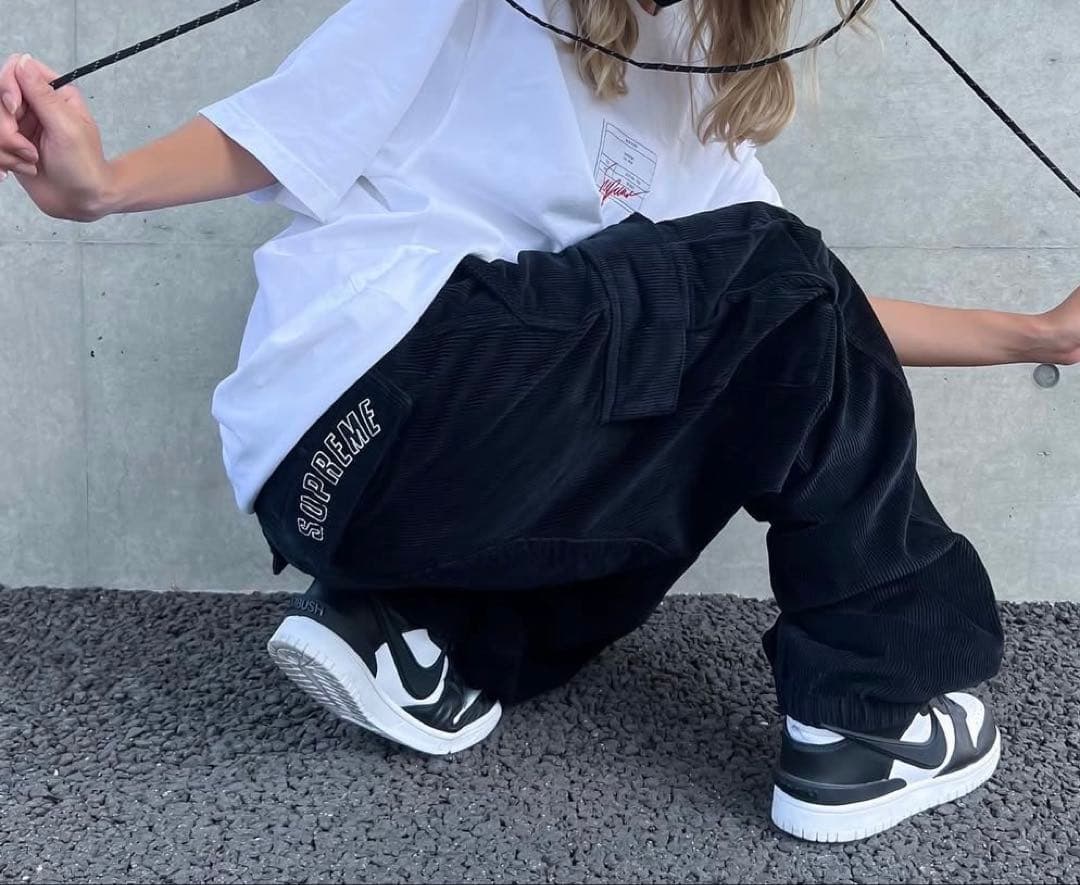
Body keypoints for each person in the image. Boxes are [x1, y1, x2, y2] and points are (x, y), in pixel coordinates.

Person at [3, 0, 1077, 843]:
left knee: (762, 350)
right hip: (386, 394)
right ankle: (870, 715)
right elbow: (298, 121)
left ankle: (418, 631)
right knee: (776, 286)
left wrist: (1041, 335)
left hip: (350, 493)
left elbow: (817, 323)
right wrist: (103, 188)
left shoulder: (690, 87)